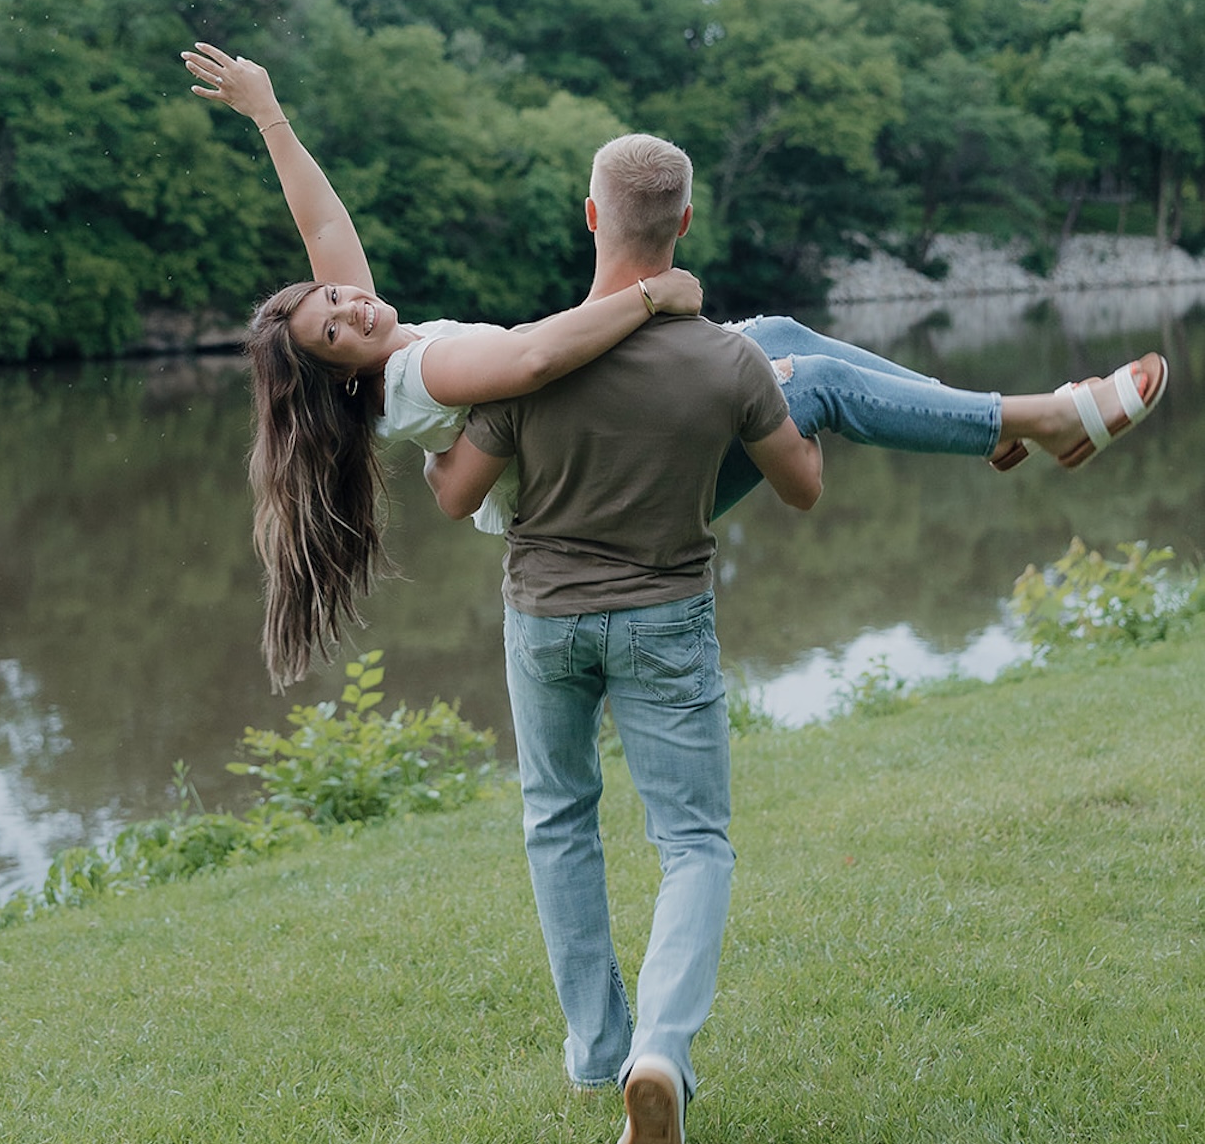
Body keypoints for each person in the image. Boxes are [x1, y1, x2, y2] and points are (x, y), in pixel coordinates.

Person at [180, 43, 1169, 685]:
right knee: (807, 383)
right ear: (340, 375)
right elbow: (534, 365)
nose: (351, 303)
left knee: (777, 331)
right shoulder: (422, 375)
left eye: (339, 297)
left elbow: (321, 221)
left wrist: (266, 113)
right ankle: (1038, 419)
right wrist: (653, 297)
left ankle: (991, 422)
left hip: (603, 453)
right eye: (335, 326)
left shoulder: (381, 345)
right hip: (602, 494)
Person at [424, 132, 822, 1144]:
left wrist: (425, 424)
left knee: (558, 821)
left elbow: (456, 495)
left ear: (589, 214)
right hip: (665, 619)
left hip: (544, 619)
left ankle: (601, 1052)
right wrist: (784, 405)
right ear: (683, 223)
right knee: (692, 842)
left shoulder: (530, 353)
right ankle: (660, 1052)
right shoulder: (728, 360)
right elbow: (801, 487)